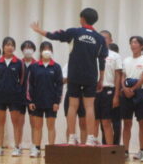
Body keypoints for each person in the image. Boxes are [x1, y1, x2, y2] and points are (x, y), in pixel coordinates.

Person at [31, 8, 108, 146]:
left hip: (74, 74)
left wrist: (39, 30)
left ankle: (72, 137)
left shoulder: (74, 32)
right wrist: (101, 79)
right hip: (91, 75)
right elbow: (102, 60)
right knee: (89, 106)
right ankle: (90, 138)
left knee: (73, 105)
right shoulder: (100, 38)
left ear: (82, 19)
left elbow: (54, 36)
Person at [0, 37, 27, 157]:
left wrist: (18, 92)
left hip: (14, 97)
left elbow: (22, 81)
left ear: (14, 47)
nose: (9, 47)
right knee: (0, 123)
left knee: (16, 122)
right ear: (3, 47)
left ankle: (17, 147)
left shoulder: (19, 63)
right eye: (7, 45)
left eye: (11, 45)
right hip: (0, 97)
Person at [26, 41, 62, 157]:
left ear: (52, 51)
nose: (47, 51)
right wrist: (30, 101)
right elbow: (30, 85)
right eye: (44, 49)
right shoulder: (34, 67)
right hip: (37, 102)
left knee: (51, 126)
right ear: (41, 51)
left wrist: (57, 102)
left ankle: (51, 150)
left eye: (49, 49)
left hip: (51, 102)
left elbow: (59, 86)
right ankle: (36, 148)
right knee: (37, 127)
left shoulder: (56, 67)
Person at [120, 36, 143, 161]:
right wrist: (124, 88)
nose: (133, 45)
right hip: (127, 93)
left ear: (142, 46)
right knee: (126, 123)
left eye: (135, 42)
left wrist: (133, 89)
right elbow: (123, 76)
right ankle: (125, 151)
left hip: (140, 93)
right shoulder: (126, 60)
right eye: (131, 42)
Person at [96, 36, 122, 146]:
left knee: (106, 121)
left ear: (110, 40)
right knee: (94, 122)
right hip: (93, 91)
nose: (102, 40)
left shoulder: (115, 56)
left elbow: (118, 76)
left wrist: (116, 95)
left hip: (108, 90)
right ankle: (92, 149)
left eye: (105, 38)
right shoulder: (92, 53)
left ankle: (109, 149)